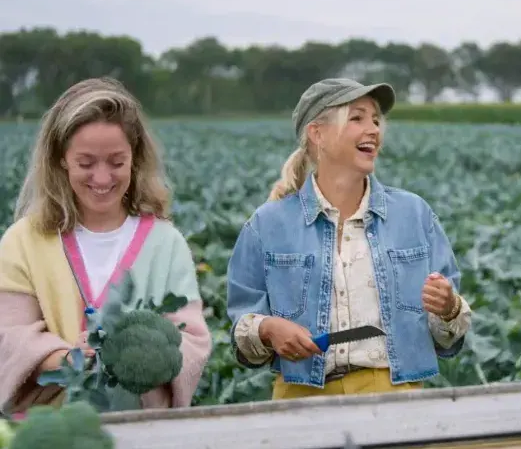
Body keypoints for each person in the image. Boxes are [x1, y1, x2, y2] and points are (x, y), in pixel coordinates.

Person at [226, 78, 472, 399]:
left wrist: (449, 308)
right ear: (318, 134)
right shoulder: (267, 224)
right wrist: (267, 330)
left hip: (395, 393)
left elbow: (448, 338)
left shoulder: (415, 215)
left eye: (375, 120)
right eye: (357, 118)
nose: (373, 129)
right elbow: (243, 330)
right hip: (302, 395)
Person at [0, 77, 212, 414]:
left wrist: (134, 357)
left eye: (116, 162)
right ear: (61, 160)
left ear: (135, 159)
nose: (102, 179)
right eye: (86, 163)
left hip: (143, 430)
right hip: (55, 431)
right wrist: (71, 360)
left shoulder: (166, 242)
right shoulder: (21, 241)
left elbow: (192, 339)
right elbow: (9, 336)